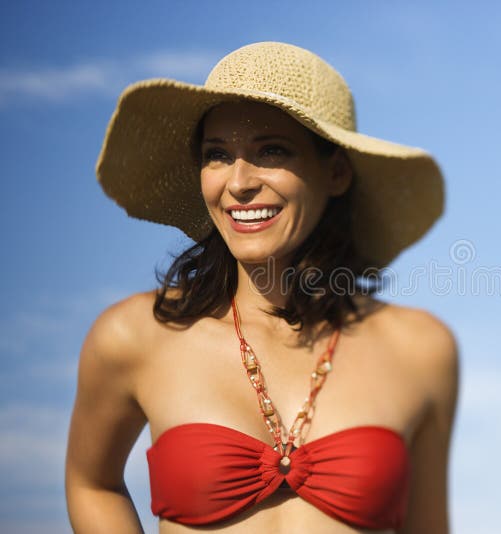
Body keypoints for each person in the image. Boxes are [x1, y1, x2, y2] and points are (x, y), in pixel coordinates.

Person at [64, 41, 459, 534]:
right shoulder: (134, 336)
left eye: (271, 150)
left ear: (336, 171)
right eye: (217, 155)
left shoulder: (420, 350)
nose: (239, 183)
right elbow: (91, 483)